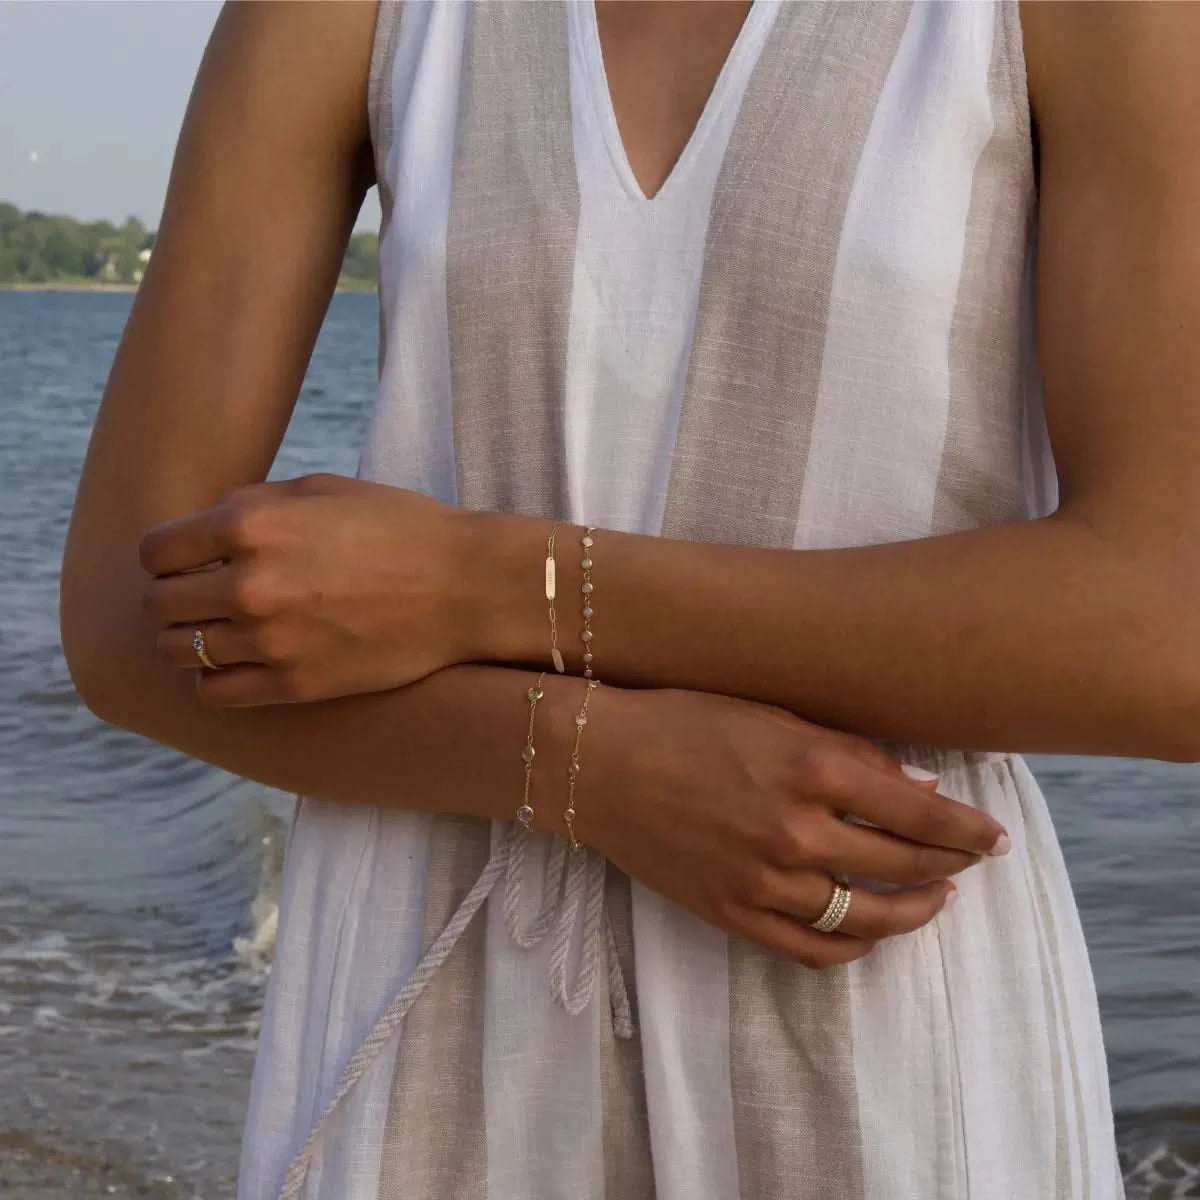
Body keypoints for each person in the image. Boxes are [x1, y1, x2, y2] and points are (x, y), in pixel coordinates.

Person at [59, 2, 1200, 1197]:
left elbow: (1168, 633)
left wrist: (490, 584)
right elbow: (120, 624)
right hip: (425, 1018)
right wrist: (583, 765)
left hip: (866, 991)